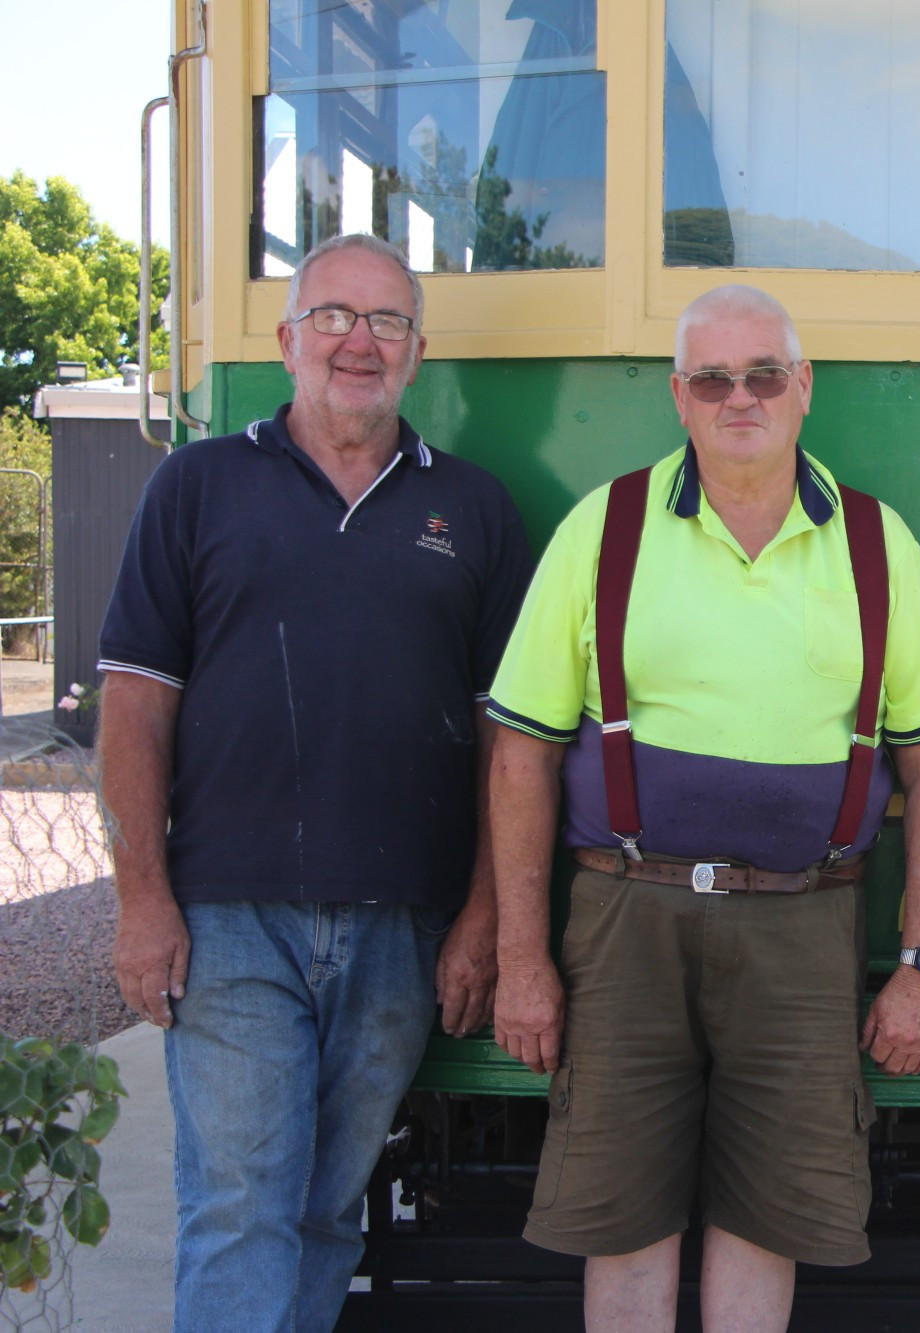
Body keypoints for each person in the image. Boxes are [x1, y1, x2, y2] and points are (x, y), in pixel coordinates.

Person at [487, 284, 920, 1332]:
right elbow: (519, 756)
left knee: (769, 1214)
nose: (737, 397)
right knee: (619, 1217)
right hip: (620, 921)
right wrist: (523, 959)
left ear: (803, 389)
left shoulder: (876, 544)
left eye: (763, 375)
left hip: (806, 925)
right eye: (712, 378)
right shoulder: (602, 527)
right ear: (679, 396)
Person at [97, 233, 531, 1332]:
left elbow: (509, 744)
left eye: (386, 322)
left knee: (330, 1210)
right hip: (229, 916)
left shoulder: (475, 512)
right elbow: (136, 706)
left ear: (418, 354)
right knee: (242, 1208)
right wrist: (141, 900)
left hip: (401, 930)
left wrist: (482, 917)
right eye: (333, 315)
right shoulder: (197, 485)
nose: (358, 341)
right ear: (288, 338)